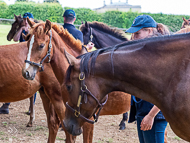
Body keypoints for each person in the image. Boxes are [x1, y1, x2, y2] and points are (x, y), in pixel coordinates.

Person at [126, 15, 169, 143]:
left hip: (153, 114)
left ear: (149, 31)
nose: (133, 37)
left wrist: (151, 115)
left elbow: (165, 91)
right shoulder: (146, 52)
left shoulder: (161, 53)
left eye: (137, 33)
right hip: (142, 110)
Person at [0, 12, 37, 114]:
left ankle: (31, 106)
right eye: (24, 19)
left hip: (29, 57)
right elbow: (15, 39)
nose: (26, 21)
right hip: (18, 57)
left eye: (28, 19)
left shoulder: (34, 31)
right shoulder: (22, 29)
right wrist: (21, 29)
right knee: (12, 78)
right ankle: (7, 104)